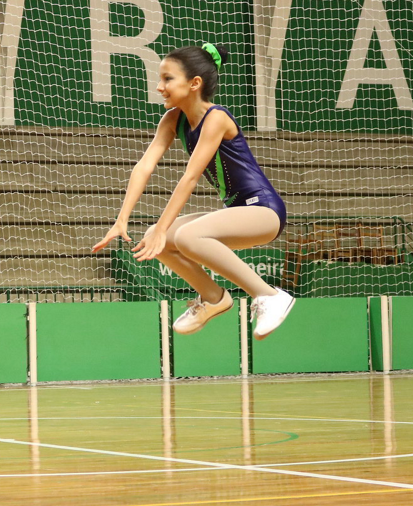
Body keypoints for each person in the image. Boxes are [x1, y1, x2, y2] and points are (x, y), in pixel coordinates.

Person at [92, 43, 294, 340]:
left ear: (194, 83)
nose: (159, 87)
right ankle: (213, 298)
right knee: (154, 238)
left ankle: (269, 295)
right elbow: (144, 166)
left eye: (168, 79)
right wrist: (121, 220)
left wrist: (164, 228)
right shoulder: (174, 119)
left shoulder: (216, 118)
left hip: (264, 211)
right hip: (239, 211)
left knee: (184, 236)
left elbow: (190, 177)